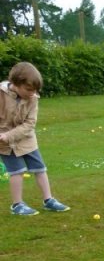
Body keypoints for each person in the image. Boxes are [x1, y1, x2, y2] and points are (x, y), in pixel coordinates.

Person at [0, 62, 69, 215]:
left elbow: (30, 123)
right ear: (16, 84)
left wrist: (9, 135)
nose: (32, 93)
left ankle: (48, 200)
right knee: (16, 171)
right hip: (5, 143)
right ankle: (17, 205)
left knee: (40, 168)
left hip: (26, 139)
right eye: (29, 89)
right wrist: (4, 136)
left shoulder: (33, 99)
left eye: (35, 90)